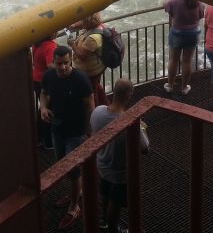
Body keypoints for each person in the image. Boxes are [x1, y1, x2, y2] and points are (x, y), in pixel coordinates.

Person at [40, 45, 94, 229]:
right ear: (53, 62)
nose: (61, 67)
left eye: (65, 63)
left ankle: (74, 206)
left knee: (73, 169)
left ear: (71, 60)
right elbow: (44, 93)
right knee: (62, 164)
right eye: (58, 63)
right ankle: (76, 192)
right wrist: (43, 108)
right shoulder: (49, 76)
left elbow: (90, 105)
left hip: (76, 132)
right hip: (57, 130)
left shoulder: (80, 79)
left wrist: (88, 131)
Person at [90, 79, 150, 233]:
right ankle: (112, 228)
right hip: (120, 172)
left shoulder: (97, 112)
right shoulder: (130, 122)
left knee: (105, 194)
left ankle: (104, 221)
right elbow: (145, 148)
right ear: (129, 95)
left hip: (101, 164)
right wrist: (142, 127)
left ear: (114, 93)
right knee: (115, 203)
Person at [163, 0, 206, 95]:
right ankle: (184, 87)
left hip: (177, 32)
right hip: (193, 33)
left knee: (173, 59)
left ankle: (170, 85)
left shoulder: (174, 1)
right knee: (187, 60)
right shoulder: (198, 3)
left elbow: (165, 5)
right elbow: (201, 15)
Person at [69, 13, 108, 106]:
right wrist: (73, 25)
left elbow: (82, 56)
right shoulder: (100, 26)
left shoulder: (93, 38)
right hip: (97, 67)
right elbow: (85, 21)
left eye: (83, 21)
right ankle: (104, 103)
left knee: (90, 93)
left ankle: (94, 110)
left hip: (90, 71)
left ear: (88, 23)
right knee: (95, 87)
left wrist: (72, 44)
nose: (81, 24)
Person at [32, 32, 58, 150]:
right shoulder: (50, 46)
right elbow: (50, 65)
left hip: (36, 79)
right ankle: (48, 142)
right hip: (46, 82)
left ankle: (38, 138)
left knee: (42, 108)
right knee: (49, 110)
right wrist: (67, 68)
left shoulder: (36, 43)